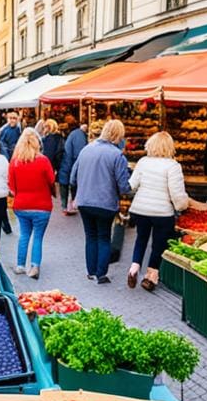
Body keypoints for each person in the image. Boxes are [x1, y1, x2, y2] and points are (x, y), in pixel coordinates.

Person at [71, 120, 131, 283]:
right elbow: (124, 186)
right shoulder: (117, 155)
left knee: (90, 236)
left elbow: (73, 177)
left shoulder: (86, 149)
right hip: (105, 202)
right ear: (118, 135)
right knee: (104, 237)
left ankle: (91, 271)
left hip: (84, 201)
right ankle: (101, 274)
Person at [128, 132, 189, 292]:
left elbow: (132, 185)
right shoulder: (173, 166)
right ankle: (151, 276)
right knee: (158, 244)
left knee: (141, 238)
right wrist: (182, 206)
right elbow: (176, 193)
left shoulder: (143, 162)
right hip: (162, 213)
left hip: (140, 209)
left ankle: (134, 268)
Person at [8, 128, 55, 279]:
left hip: (21, 205)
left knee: (24, 235)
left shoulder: (15, 162)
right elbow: (51, 180)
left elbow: (12, 187)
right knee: (38, 237)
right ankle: (34, 266)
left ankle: (20, 265)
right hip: (42, 206)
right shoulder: (43, 161)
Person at [58, 121, 88, 215]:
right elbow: (79, 153)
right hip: (70, 165)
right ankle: (71, 205)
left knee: (65, 185)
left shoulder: (72, 135)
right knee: (73, 185)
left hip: (66, 164)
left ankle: (65, 206)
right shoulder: (79, 135)